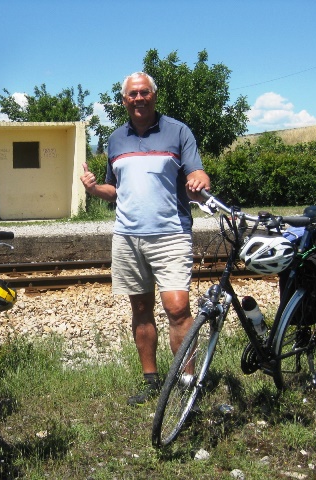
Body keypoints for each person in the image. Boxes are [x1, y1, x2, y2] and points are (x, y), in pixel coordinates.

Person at [81, 71, 210, 406]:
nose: (138, 98)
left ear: (154, 95)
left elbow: (196, 172)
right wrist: (95, 189)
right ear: (124, 100)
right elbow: (116, 190)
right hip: (127, 237)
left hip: (171, 234)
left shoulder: (178, 131)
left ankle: (186, 383)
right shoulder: (115, 139)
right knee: (140, 308)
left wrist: (199, 177)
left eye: (144, 93)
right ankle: (151, 381)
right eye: (132, 95)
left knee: (178, 308)